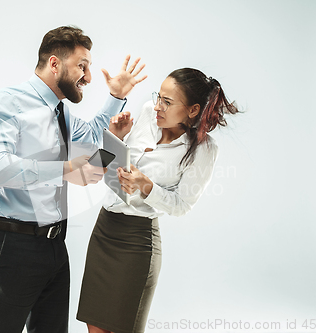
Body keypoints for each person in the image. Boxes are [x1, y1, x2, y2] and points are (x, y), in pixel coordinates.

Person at [0, 25, 147, 333]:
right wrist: (66, 169)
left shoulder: (60, 112)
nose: (89, 77)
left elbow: (94, 135)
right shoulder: (8, 102)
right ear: (55, 64)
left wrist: (116, 97)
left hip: (54, 247)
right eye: (82, 66)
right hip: (13, 245)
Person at [77, 68, 240, 333]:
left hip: (137, 243)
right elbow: (98, 169)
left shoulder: (204, 150)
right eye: (158, 97)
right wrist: (114, 137)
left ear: (193, 110)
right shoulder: (146, 115)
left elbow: (182, 205)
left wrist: (146, 186)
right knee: (95, 328)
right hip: (105, 231)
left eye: (167, 102)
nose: (157, 106)